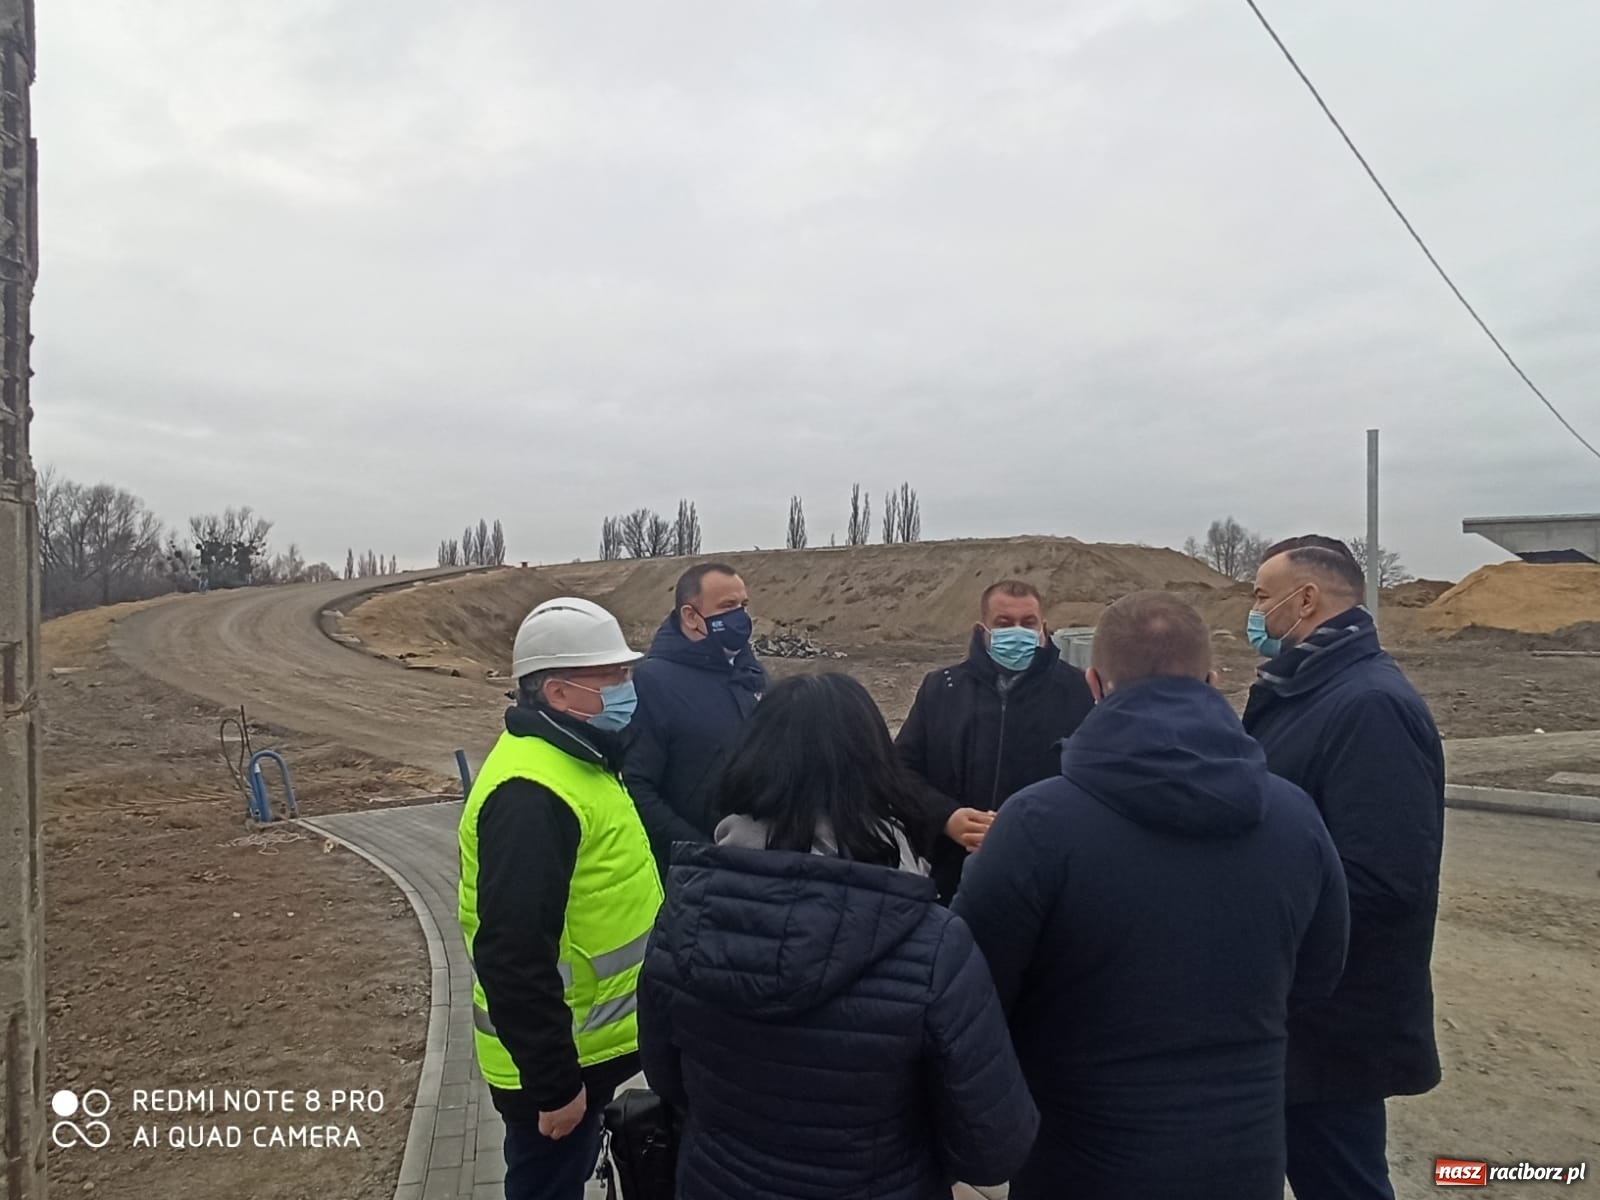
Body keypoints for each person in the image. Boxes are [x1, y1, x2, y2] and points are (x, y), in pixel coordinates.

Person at [954, 591, 1350, 1200]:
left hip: (1079, 1161)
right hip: (1242, 1160)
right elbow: (1319, 975)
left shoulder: (1035, 825)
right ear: (1212, 682)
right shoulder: (1295, 817)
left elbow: (972, 988)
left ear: (1094, 684)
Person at [638, 673, 1039, 1200]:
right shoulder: (934, 946)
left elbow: (666, 1076)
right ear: (877, 768)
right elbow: (993, 1148)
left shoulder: (683, 916)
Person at [1242, 536, 1446, 1200]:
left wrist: (1258, 921)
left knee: (1342, 1181)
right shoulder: (1307, 690)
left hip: (1333, 1022)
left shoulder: (1369, 707)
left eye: (1261, 596)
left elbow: (1384, 881)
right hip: (1297, 1010)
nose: (1253, 612)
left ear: (1305, 600)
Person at [456, 597, 663, 1200]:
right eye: (612, 676)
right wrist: (555, 1086)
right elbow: (512, 953)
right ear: (558, 692)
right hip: (560, 1067)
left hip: (587, 1048)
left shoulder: (577, 758)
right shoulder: (531, 795)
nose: (627, 687)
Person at [896, 579, 1094, 901]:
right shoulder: (941, 689)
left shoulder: (1077, 691)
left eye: (1028, 623)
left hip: (1047, 876)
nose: (1018, 632)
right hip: (953, 875)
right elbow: (901, 771)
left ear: (1043, 629)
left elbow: (1093, 784)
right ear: (982, 630)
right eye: (1004, 624)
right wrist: (946, 818)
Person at [626, 562, 767, 873]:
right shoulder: (653, 682)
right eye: (728, 606)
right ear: (691, 616)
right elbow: (637, 786)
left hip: (754, 863)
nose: (740, 617)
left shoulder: (751, 673)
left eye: (743, 606)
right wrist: (700, 851)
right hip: (692, 868)